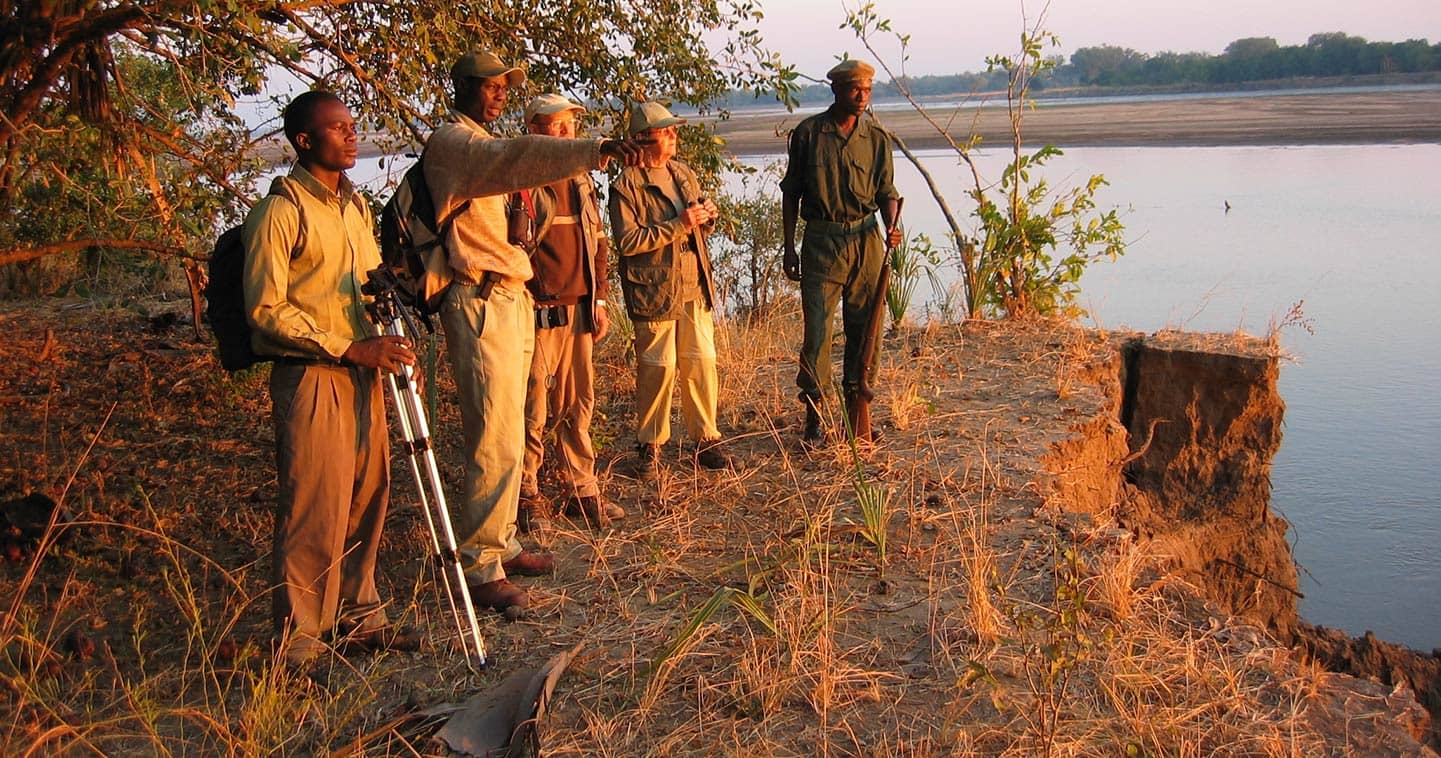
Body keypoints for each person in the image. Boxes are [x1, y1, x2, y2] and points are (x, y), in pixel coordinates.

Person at [423, 51, 643, 614]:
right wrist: (594, 150)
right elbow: (517, 157)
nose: (499, 95)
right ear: (465, 87)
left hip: (510, 295)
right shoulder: (457, 142)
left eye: (504, 88)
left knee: (512, 426)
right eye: (491, 87)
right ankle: (477, 567)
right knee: (494, 434)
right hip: (479, 296)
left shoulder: (480, 142)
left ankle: (501, 545)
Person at [242, 90, 421, 669]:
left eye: (351, 125)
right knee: (314, 506)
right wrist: (349, 346)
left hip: (365, 370)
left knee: (368, 495)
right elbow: (266, 310)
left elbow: (369, 284)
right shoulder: (281, 210)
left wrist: (391, 337)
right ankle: (299, 644)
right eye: (337, 128)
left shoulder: (354, 207)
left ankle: (358, 618)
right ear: (303, 141)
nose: (350, 135)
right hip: (314, 374)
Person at [779, 59, 903, 444]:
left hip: (866, 241)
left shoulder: (877, 137)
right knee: (817, 333)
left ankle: (857, 412)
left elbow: (887, 192)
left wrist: (892, 224)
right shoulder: (809, 134)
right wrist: (788, 247)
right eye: (854, 89)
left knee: (866, 331)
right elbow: (791, 194)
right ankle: (814, 417)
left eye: (867, 89)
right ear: (835, 90)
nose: (862, 96)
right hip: (821, 241)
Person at [518, 94, 626, 531]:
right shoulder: (519, 178)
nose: (567, 135)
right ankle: (527, 495)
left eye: (570, 128)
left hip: (581, 308)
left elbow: (598, 243)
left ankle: (581, 488)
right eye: (557, 127)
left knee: (578, 403)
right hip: (540, 311)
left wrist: (599, 299)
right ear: (535, 132)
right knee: (533, 407)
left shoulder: (581, 179)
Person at [608, 101, 732, 477]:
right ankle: (651, 445)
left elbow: (695, 228)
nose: (675, 137)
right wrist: (679, 224)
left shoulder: (682, 173)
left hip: (694, 283)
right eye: (667, 132)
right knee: (657, 367)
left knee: (701, 362)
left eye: (673, 131)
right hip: (654, 288)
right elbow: (628, 242)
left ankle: (705, 438)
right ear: (644, 140)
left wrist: (705, 219)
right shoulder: (625, 185)